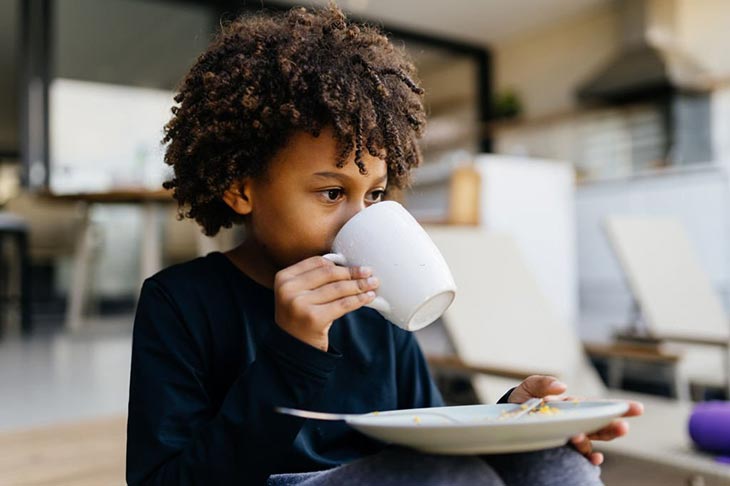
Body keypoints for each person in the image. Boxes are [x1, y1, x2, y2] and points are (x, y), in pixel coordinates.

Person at [126, 3, 642, 485]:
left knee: (556, 461)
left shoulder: (379, 308)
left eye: (373, 194)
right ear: (240, 188)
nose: (361, 219)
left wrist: (512, 418)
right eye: (332, 192)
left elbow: (430, 430)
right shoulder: (181, 303)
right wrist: (292, 355)